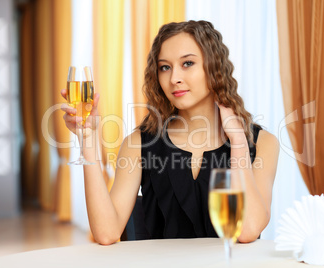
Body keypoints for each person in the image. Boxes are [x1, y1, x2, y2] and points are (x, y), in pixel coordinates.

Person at [61, 20, 279, 245]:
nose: (174, 78)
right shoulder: (139, 143)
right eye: (165, 67)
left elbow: (248, 230)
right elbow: (107, 233)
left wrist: (238, 142)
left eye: (187, 63)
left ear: (214, 67)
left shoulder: (263, 143)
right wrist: (87, 137)